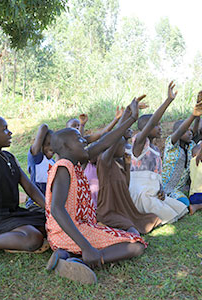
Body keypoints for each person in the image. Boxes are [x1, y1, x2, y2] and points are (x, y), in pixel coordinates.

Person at [45, 97, 147, 284]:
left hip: (77, 230)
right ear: (67, 147)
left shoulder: (75, 161)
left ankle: (64, 256)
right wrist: (87, 247)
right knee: (136, 245)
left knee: (128, 236)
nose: (84, 141)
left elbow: (105, 141)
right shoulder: (63, 167)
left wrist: (131, 118)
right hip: (67, 232)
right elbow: (57, 209)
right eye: (79, 140)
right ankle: (86, 258)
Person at [0, 53, 46, 262]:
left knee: (53, 222)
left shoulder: (9, 157)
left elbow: (30, 188)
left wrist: (51, 209)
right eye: (5, 129)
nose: (10, 133)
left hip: (11, 214)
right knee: (33, 238)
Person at [129, 82, 188, 224]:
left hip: (154, 193)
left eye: (160, 125)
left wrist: (160, 189)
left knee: (182, 209)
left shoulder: (155, 150)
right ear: (146, 128)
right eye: (157, 125)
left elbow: (157, 175)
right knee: (170, 217)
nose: (160, 128)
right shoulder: (139, 144)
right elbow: (151, 121)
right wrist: (169, 100)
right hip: (141, 194)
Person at [96, 117, 161, 233]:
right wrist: (129, 117)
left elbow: (126, 184)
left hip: (123, 209)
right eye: (122, 147)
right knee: (133, 231)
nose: (125, 149)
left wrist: (127, 164)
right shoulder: (104, 162)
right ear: (114, 148)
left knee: (151, 218)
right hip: (109, 211)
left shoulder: (119, 164)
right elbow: (113, 140)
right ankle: (104, 226)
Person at [162, 90, 202, 206]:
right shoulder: (171, 145)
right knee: (183, 204)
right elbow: (181, 130)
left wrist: (197, 114)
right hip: (164, 186)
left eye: (190, 131)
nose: (190, 133)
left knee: (185, 202)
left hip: (177, 190)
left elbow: (195, 129)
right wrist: (193, 115)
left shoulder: (191, 146)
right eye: (186, 131)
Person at [26, 123, 55, 212]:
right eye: (47, 144)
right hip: (36, 205)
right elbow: (43, 127)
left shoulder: (53, 162)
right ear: (40, 145)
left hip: (49, 205)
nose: (51, 148)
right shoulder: (37, 158)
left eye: (54, 144)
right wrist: (46, 126)